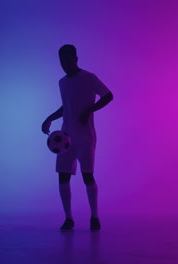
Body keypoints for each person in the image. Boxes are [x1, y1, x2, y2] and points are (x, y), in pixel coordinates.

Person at [41, 44, 113, 231]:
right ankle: (68, 218)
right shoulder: (62, 82)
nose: (64, 64)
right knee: (63, 177)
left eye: (67, 59)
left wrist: (89, 110)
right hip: (66, 137)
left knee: (87, 176)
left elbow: (108, 96)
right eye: (61, 60)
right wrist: (49, 118)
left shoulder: (89, 78)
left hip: (86, 136)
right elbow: (65, 106)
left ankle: (94, 217)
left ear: (75, 58)